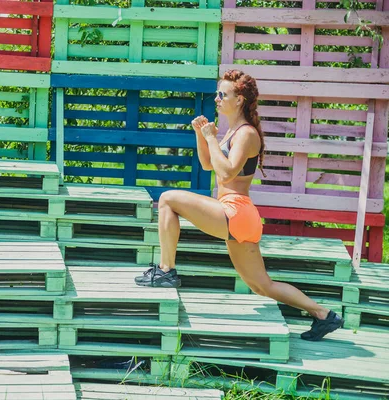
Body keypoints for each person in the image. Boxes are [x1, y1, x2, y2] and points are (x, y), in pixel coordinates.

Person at [134, 69, 343, 341]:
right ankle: (325, 315)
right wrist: (201, 134)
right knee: (261, 286)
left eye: (223, 94)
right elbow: (209, 164)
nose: (217, 99)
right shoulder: (233, 131)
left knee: (167, 199)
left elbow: (226, 173)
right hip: (237, 216)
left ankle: (165, 271)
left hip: (235, 211)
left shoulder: (245, 134)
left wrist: (210, 137)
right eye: (217, 94)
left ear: (240, 100)